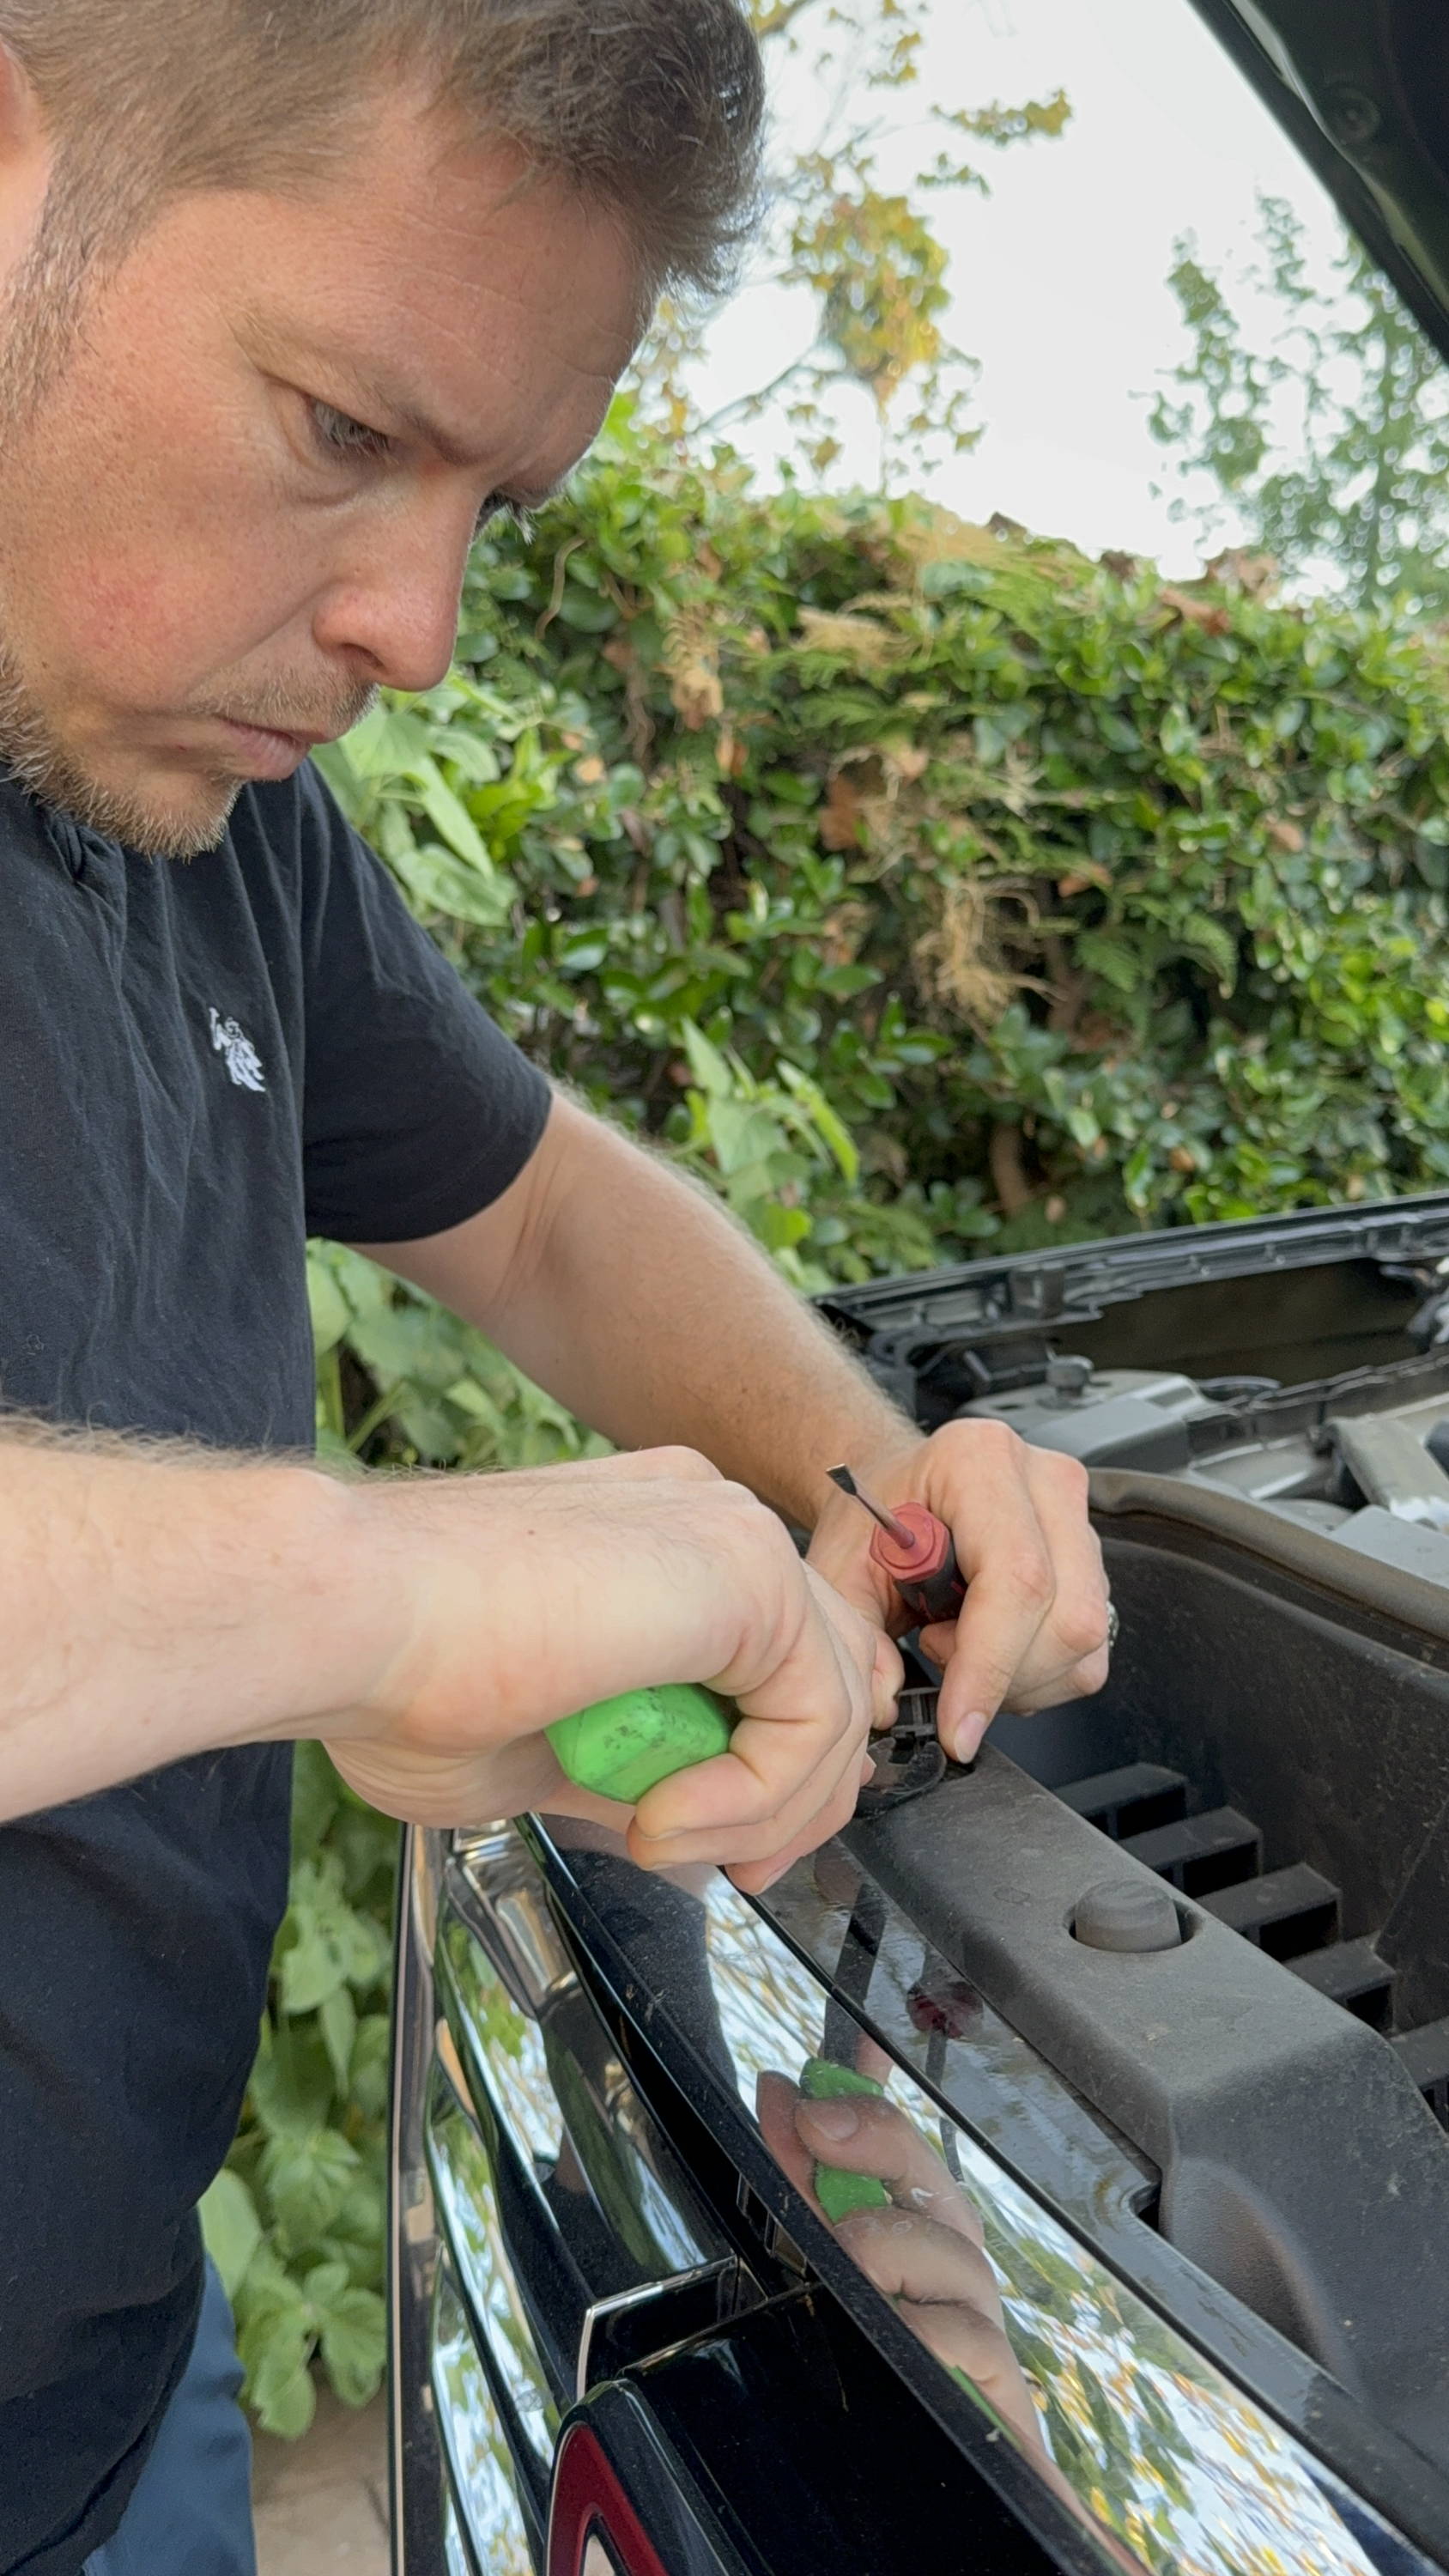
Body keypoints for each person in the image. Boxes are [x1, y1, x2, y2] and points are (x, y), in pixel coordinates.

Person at [0, 3, 1112, 2569]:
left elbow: (537, 1206)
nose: (419, 621)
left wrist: (869, 1482)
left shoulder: (199, 805)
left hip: (105, 2399)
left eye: (500, 493)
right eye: (343, 430)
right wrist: (387, 1590)